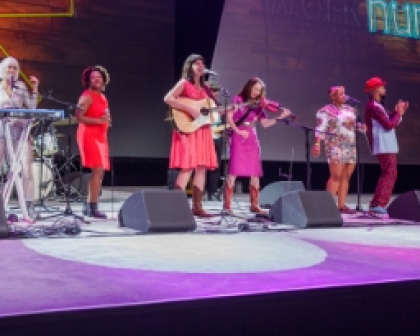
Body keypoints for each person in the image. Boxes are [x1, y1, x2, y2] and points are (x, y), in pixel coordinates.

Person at [224, 77, 291, 214]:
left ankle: (254, 205)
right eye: (255, 89)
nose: (256, 92)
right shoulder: (238, 99)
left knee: (255, 172)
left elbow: (265, 124)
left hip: (252, 138)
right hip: (239, 135)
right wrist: (237, 131)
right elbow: (229, 117)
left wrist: (280, 117)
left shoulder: (258, 105)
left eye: (259, 91)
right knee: (234, 171)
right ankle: (227, 205)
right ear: (249, 87)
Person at [164, 54, 218, 217]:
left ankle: (197, 206)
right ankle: (177, 206)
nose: (201, 66)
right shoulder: (184, 83)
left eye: (203, 63)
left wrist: (229, 110)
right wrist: (190, 109)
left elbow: (210, 111)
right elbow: (167, 98)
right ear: (190, 66)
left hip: (202, 129)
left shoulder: (206, 88)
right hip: (188, 129)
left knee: (201, 168)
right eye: (197, 63)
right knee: (187, 166)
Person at [312, 86, 366, 214]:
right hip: (335, 144)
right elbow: (320, 128)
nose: (344, 96)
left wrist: (360, 126)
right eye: (341, 94)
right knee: (336, 175)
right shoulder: (325, 111)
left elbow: (352, 125)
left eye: (344, 93)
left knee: (346, 176)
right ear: (333, 96)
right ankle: (328, 206)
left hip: (350, 145)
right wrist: (317, 144)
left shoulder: (350, 109)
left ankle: (341, 205)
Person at [0, 56, 39, 218]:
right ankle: (1, 207)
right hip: (2, 132)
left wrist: (35, 89)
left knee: (26, 168)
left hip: (20, 132)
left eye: (15, 68)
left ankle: (28, 205)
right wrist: (7, 93)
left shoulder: (21, 86)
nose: (12, 71)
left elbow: (31, 107)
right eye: (9, 67)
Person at [364, 77, 408, 214]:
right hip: (383, 144)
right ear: (376, 89)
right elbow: (388, 124)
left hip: (385, 143)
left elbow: (387, 119)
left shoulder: (377, 105)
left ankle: (377, 203)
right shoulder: (374, 106)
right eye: (382, 87)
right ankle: (379, 204)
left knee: (388, 173)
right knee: (389, 173)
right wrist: (399, 114)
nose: (384, 89)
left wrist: (396, 112)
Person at [76, 65, 111, 218]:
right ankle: (91, 206)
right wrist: (99, 121)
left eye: (99, 77)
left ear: (103, 80)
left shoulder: (103, 97)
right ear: (88, 81)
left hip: (100, 135)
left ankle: (91, 204)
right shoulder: (87, 96)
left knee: (100, 171)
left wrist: (106, 121)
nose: (96, 79)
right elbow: (79, 117)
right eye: (93, 77)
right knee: (97, 169)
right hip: (89, 135)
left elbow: (104, 115)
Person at [206, 82, 223, 201]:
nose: (215, 94)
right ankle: (200, 191)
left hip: (218, 137)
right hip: (206, 138)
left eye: (217, 92)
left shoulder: (221, 106)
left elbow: (224, 122)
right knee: (202, 166)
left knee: (216, 166)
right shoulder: (203, 105)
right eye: (213, 91)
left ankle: (212, 193)